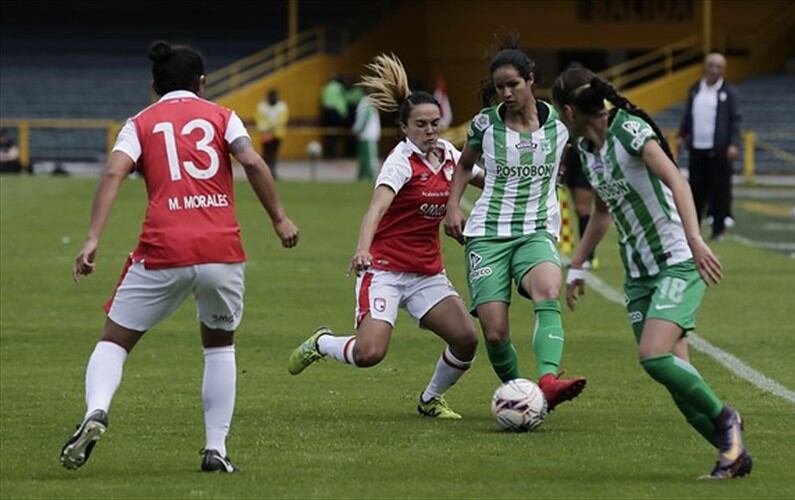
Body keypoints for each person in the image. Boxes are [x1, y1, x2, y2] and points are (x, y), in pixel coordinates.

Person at [59, 41, 300, 474]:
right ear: (201, 82)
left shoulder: (140, 123)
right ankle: (215, 449)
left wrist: (93, 237)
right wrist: (279, 219)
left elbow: (114, 171)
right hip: (221, 249)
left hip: (164, 248)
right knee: (220, 346)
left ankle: (97, 410)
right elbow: (252, 162)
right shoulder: (223, 116)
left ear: (154, 86)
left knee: (114, 341)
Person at [551, 64, 752, 479]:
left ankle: (726, 418)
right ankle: (732, 454)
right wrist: (578, 264)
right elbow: (603, 212)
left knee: (653, 355)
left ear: (569, 111)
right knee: (678, 385)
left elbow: (678, 181)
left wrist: (695, 240)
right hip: (638, 275)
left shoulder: (629, 130)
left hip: (676, 260)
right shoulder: (586, 152)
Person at [288, 54, 484, 419]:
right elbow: (375, 210)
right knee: (370, 354)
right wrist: (362, 250)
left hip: (426, 272)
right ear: (404, 128)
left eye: (435, 123)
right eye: (421, 125)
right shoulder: (400, 161)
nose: (430, 130)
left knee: (466, 339)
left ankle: (431, 399)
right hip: (385, 270)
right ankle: (322, 342)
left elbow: (483, 179)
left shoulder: (448, 154)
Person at [444, 44, 586, 412]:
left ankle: (548, 383)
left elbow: (584, 150)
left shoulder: (560, 125)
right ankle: (521, 396)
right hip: (487, 235)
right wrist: (453, 206)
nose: (506, 93)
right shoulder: (484, 124)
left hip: (535, 230)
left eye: (513, 85)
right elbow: (464, 166)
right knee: (494, 332)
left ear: (531, 80)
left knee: (548, 290)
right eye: (499, 87)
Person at [676, 52, 742, 241]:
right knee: (695, 190)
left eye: (718, 66)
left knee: (719, 190)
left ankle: (718, 229)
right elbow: (687, 116)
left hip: (719, 150)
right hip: (697, 147)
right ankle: (693, 230)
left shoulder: (729, 92)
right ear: (705, 67)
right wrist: (682, 136)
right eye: (711, 65)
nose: (714, 70)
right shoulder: (696, 89)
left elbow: (735, 120)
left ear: (723, 70)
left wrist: (733, 143)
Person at [560, 143, 598, 269]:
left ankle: (587, 256)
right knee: (578, 209)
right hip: (570, 155)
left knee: (583, 209)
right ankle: (583, 255)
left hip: (586, 152)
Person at [256, 88, 289, 178]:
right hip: (266, 134)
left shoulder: (282, 106)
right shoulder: (262, 106)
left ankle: (271, 171)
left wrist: (270, 127)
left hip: (277, 134)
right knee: (266, 153)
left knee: (273, 153)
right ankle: (266, 172)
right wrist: (266, 128)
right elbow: (259, 119)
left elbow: (283, 119)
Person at [352, 88, 381, 180]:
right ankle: (365, 176)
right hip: (367, 134)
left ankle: (368, 176)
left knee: (367, 157)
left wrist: (358, 130)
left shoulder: (366, 102)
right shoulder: (367, 102)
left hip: (367, 134)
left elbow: (365, 118)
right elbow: (365, 117)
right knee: (366, 157)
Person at [320, 75, 348, 159]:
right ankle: (334, 153)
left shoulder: (326, 87)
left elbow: (323, 100)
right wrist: (344, 113)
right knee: (335, 133)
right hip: (335, 112)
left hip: (326, 111)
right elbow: (342, 101)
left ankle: (328, 153)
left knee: (329, 133)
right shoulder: (339, 87)